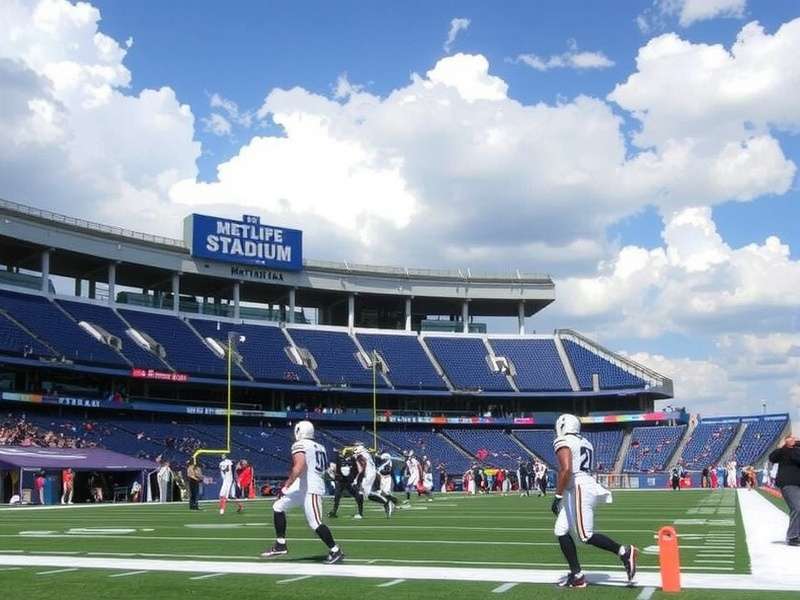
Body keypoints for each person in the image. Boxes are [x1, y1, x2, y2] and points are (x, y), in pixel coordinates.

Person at [551, 413, 637, 588]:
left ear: (562, 426)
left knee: (585, 535)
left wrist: (557, 496)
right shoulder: (586, 442)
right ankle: (577, 575)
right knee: (561, 529)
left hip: (578, 486)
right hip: (581, 485)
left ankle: (624, 552)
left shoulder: (563, 441)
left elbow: (566, 470)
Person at [261, 420, 344, 564]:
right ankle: (280, 544)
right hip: (304, 486)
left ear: (299, 431)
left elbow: (299, 466)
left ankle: (336, 550)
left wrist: (286, 485)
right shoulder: (320, 446)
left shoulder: (300, 445)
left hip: (310, 487)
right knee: (278, 506)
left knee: (315, 523)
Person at [768, 435, 800, 546]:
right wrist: (782, 447)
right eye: (790, 438)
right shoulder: (784, 451)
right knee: (797, 507)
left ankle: (796, 534)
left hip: (797, 483)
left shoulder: (796, 449)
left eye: (794, 438)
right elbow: (772, 458)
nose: (793, 439)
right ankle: (792, 536)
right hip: (789, 483)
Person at [353, 443, 393, 517]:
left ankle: (360, 513)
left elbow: (362, 468)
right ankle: (385, 502)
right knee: (366, 494)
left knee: (360, 493)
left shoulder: (360, 455)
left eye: (355, 446)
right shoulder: (366, 453)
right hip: (371, 474)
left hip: (367, 475)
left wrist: (357, 478)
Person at [328, 450, 364, 518]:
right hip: (341, 480)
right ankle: (334, 512)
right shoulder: (339, 459)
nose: (349, 455)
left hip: (349, 481)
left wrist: (355, 479)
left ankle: (360, 513)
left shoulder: (353, 460)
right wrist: (334, 476)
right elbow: (333, 469)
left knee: (358, 495)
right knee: (337, 496)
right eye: (348, 454)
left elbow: (359, 470)